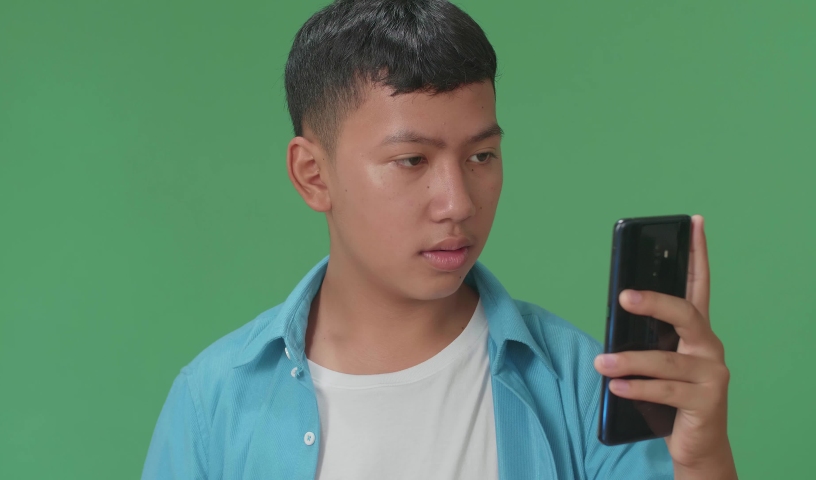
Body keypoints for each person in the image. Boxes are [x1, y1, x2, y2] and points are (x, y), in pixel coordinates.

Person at [141, 0, 736, 478]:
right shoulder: (213, 400)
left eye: (482, 155)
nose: (458, 203)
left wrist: (702, 459)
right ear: (312, 175)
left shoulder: (584, 386)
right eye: (411, 160)